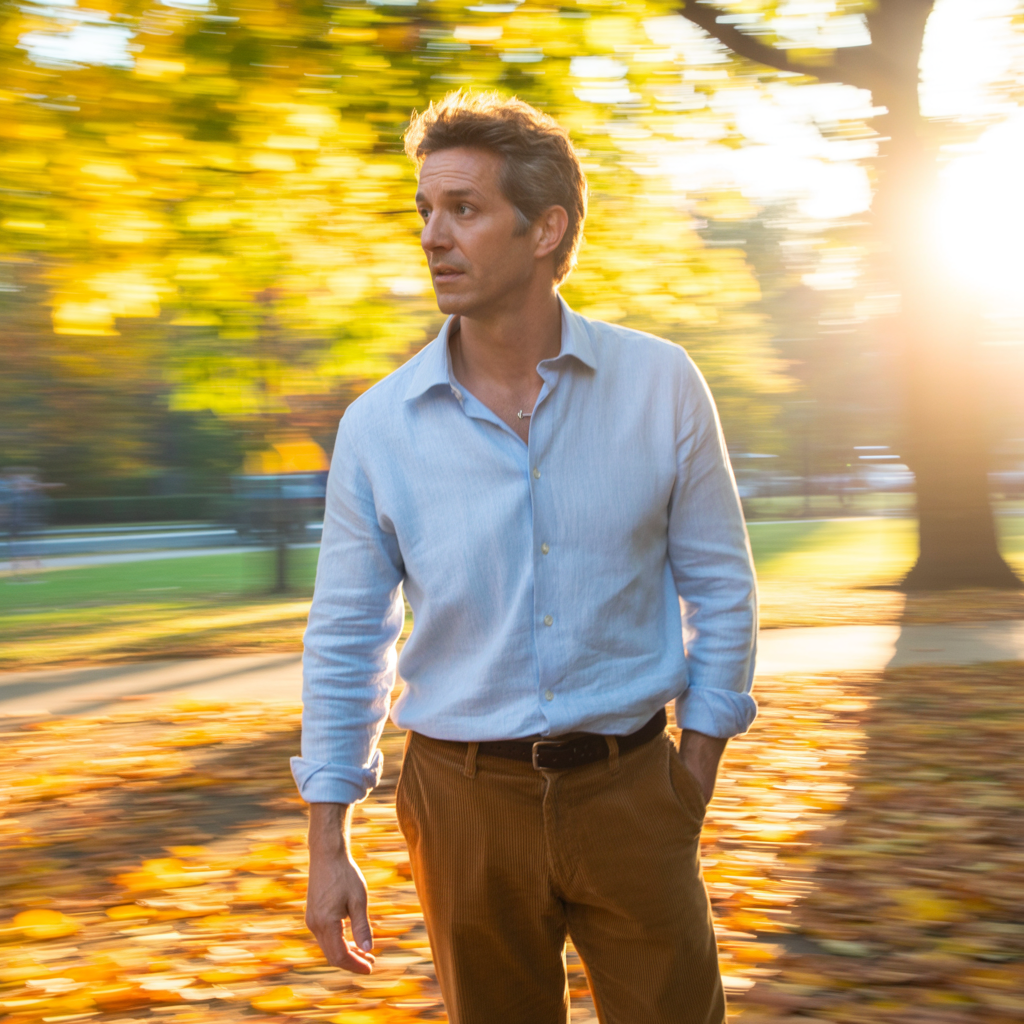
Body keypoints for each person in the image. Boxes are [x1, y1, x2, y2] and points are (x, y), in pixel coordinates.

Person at [292, 91, 757, 1024]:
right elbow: (348, 635)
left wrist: (694, 769)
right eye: (425, 210)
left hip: (635, 789)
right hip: (462, 808)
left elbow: (722, 586)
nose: (432, 235)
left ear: (547, 229)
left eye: (464, 209)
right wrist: (327, 839)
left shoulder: (662, 383)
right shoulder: (378, 426)